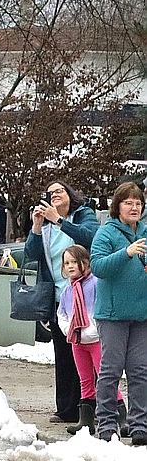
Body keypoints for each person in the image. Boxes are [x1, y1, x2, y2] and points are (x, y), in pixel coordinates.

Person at [24, 180, 99, 424]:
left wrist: (59, 220)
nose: (54, 195)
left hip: (86, 297)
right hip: (59, 298)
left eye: (59, 191)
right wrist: (36, 226)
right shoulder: (45, 226)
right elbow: (30, 254)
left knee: (89, 354)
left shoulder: (82, 214)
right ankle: (66, 408)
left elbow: (90, 237)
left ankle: (91, 407)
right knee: (64, 354)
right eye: (50, 193)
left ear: (70, 194)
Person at [90, 181, 147, 444]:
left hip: (141, 315)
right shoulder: (106, 233)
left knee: (139, 371)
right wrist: (126, 253)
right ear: (118, 206)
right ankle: (106, 424)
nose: (134, 207)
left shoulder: (145, 231)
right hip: (112, 315)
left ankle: (139, 426)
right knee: (111, 370)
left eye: (138, 203)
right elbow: (98, 267)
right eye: (129, 203)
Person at [58, 244, 121, 436]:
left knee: (104, 377)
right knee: (85, 379)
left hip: (95, 340)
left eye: (74, 262)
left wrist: (94, 329)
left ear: (84, 263)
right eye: (66, 263)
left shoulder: (95, 284)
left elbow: (100, 307)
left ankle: (120, 414)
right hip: (77, 341)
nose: (70, 266)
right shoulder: (67, 291)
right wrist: (69, 329)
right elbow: (62, 313)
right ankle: (85, 420)